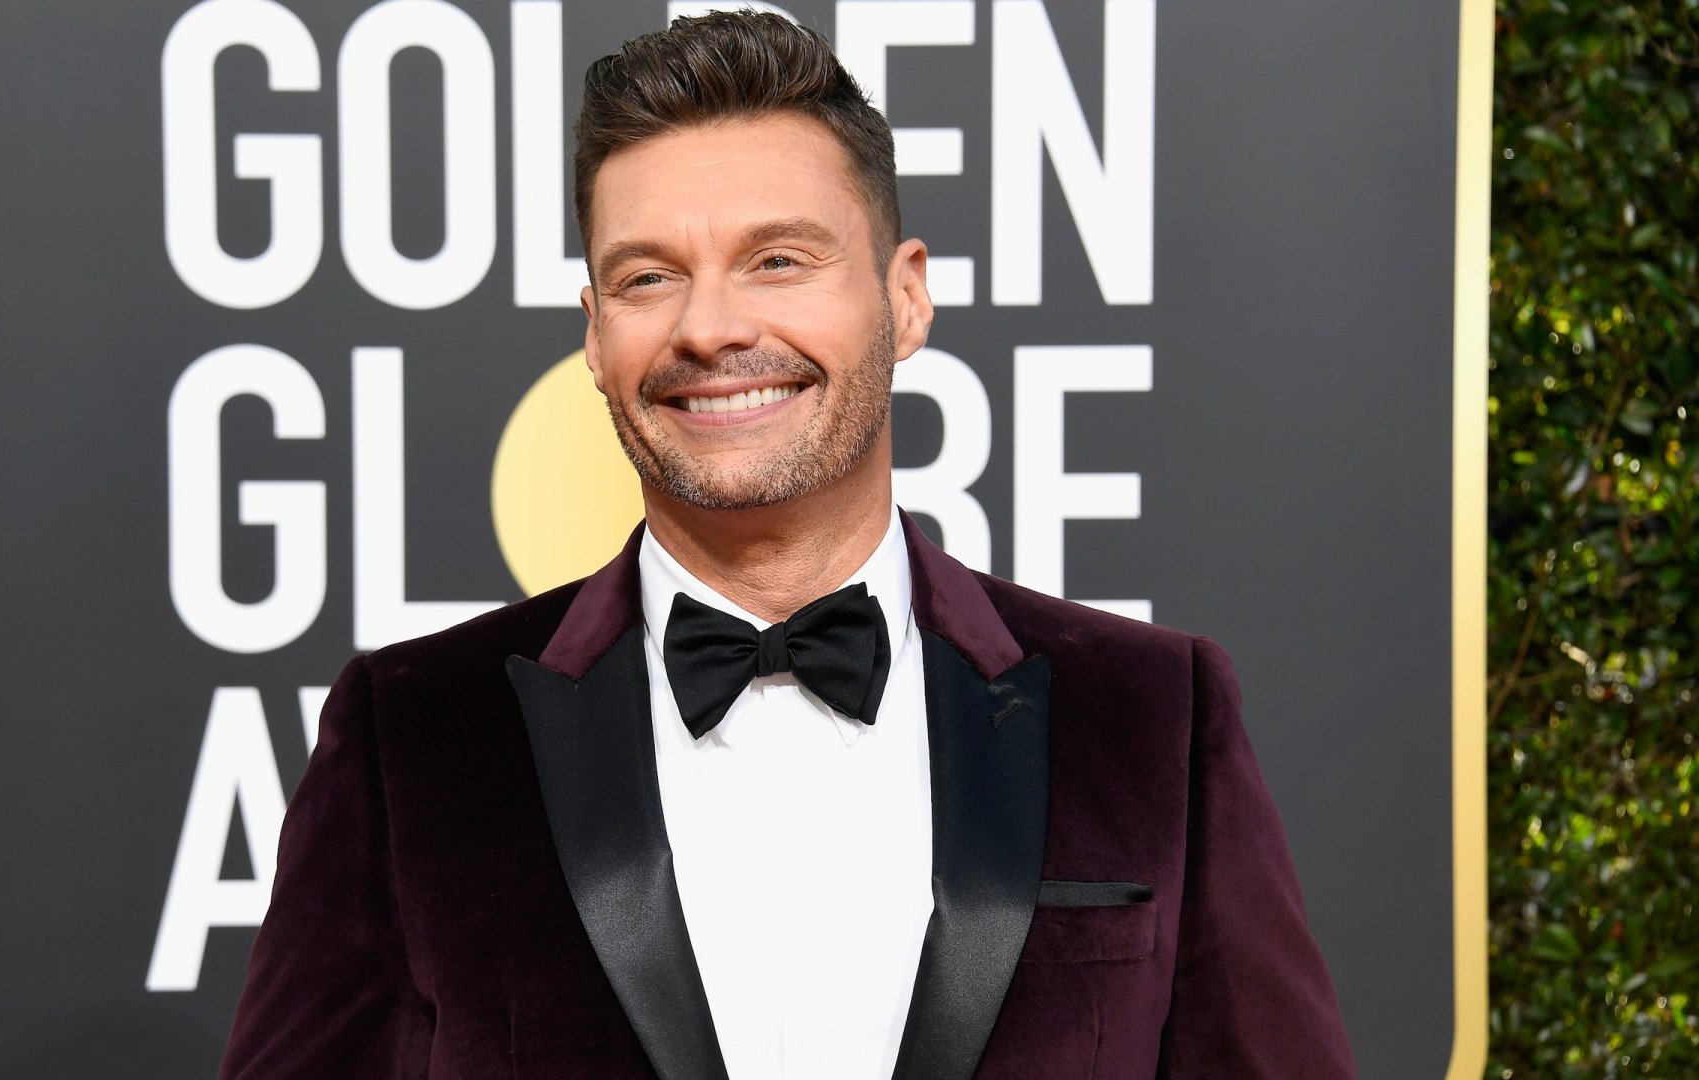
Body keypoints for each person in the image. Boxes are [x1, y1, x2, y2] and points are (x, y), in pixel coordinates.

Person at [218, 11, 1355, 1079]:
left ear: (904, 299)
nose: (711, 328)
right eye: (649, 277)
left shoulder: (1152, 713)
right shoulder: (411, 732)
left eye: (778, 260)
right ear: (595, 335)